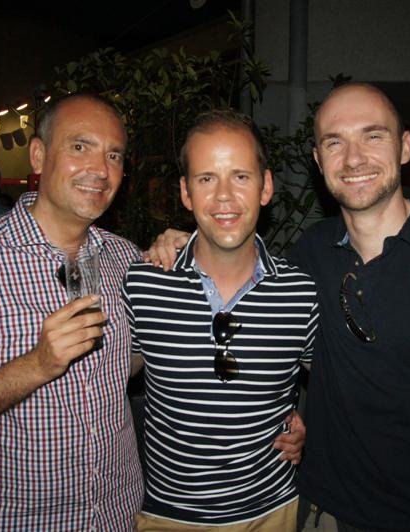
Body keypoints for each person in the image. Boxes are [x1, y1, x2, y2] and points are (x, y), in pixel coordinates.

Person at [147, 83, 410, 531]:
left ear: (405, 147)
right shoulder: (310, 254)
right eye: (334, 142)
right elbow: (274, 344)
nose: (354, 158)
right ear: (318, 160)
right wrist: (186, 243)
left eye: (372, 136)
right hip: (320, 509)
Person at [0, 94, 304, 531]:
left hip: (121, 514)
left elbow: (167, 353)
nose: (100, 168)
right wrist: (35, 365)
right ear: (38, 155)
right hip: (19, 521)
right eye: (79, 146)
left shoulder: (128, 262)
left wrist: (284, 416)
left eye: (113, 155)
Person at [123, 109, 318, 530]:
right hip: (166, 517)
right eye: (207, 178)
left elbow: (341, 384)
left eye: (241, 176)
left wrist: (311, 427)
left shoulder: (301, 293)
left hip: (272, 514)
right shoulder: (142, 283)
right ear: (186, 192)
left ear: (266, 187)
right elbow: (101, 383)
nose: (224, 196)